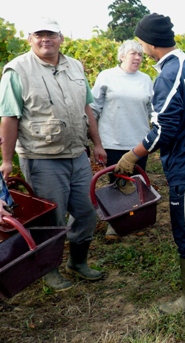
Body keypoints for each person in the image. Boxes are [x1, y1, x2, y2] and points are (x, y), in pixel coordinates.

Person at [114, 13, 185, 314]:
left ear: (150, 43)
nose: (140, 47)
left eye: (140, 42)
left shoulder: (169, 75)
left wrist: (133, 154)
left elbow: (164, 129)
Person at [0, 17, 107, 291]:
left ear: (61, 37)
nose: (45, 39)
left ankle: (77, 262)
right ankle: (50, 269)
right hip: (42, 158)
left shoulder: (75, 66)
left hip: (77, 154)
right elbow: (9, 117)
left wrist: (96, 144)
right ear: (30, 38)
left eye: (51, 34)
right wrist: (7, 160)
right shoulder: (17, 71)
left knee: (86, 213)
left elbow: (86, 109)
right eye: (39, 34)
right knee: (52, 220)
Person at [90, 39, 153, 239]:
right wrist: (95, 141)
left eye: (140, 54)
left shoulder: (146, 80)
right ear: (122, 56)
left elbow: (153, 111)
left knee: (137, 183)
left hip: (139, 142)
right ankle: (115, 224)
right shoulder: (107, 76)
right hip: (113, 140)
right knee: (116, 183)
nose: (137, 58)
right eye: (133, 53)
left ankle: (134, 220)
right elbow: (93, 109)